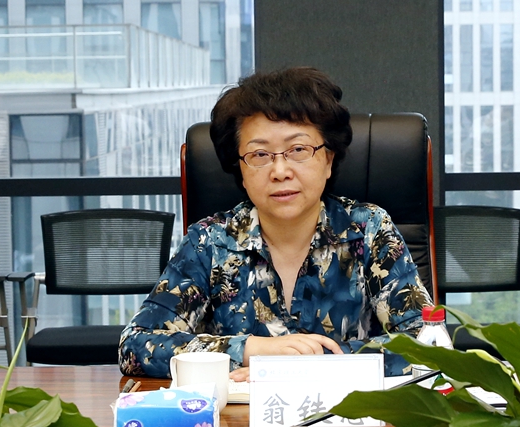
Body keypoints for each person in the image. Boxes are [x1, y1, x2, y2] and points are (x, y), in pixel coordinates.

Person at [118, 67, 433, 380]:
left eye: (298, 150)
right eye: (259, 155)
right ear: (241, 170)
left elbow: (427, 343)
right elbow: (135, 346)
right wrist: (250, 350)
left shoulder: (369, 229)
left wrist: (296, 366)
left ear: (328, 159)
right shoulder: (210, 242)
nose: (280, 171)